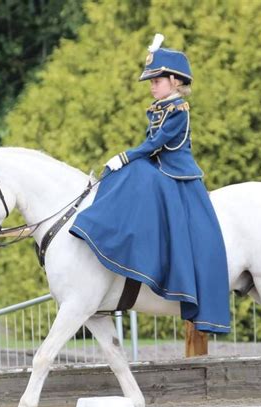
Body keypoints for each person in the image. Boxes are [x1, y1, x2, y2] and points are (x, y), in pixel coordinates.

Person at [69, 34, 230, 333]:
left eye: (157, 80)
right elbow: (150, 145)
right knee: (131, 173)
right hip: (160, 167)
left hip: (177, 174)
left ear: (173, 80)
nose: (152, 86)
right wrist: (129, 160)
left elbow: (155, 143)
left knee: (133, 171)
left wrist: (125, 157)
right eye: (152, 81)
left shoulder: (178, 109)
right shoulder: (160, 107)